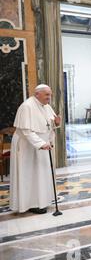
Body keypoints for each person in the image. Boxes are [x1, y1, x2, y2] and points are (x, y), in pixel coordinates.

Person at [9, 84, 61, 214]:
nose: (49, 97)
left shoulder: (46, 106)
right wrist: (40, 144)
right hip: (28, 147)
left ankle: (42, 200)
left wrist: (57, 123)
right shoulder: (27, 107)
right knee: (30, 175)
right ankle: (31, 203)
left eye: (50, 94)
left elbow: (48, 124)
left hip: (42, 145)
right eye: (47, 95)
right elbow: (25, 131)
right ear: (37, 94)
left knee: (41, 174)